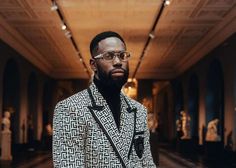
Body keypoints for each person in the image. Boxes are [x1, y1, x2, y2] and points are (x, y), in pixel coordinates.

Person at [53, 31, 156, 167]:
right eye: (109, 56)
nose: (118, 62)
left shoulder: (139, 110)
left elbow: (147, 163)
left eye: (122, 55)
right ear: (93, 64)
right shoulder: (70, 109)